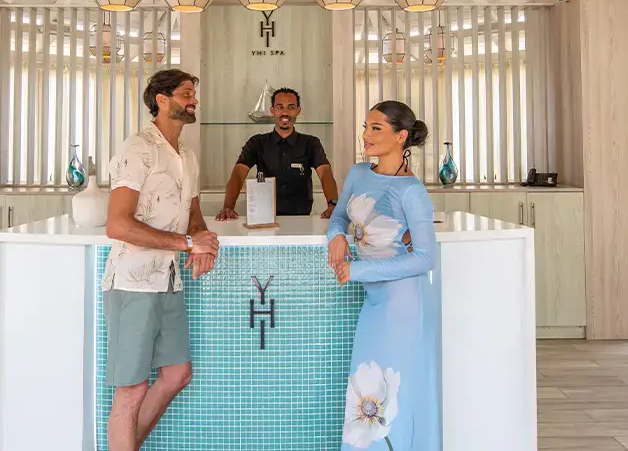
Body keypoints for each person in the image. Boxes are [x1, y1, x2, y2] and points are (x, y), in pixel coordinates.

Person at [102, 69, 220, 451]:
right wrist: (188, 243)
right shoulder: (137, 148)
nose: (193, 101)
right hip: (132, 282)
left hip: (168, 280)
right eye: (186, 94)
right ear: (161, 99)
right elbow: (117, 225)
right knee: (131, 389)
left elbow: (194, 213)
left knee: (177, 375)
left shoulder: (187, 156)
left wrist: (204, 241)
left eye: (194, 95)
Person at [325, 100, 439, 451]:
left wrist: (357, 269)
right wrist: (336, 237)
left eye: (376, 128)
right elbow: (338, 216)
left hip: (403, 305)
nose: (366, 135)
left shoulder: (411, 191)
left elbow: (425, 258)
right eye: (365, 126)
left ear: (401, 136)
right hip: (375, 301)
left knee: (392, 398)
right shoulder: (359, 173)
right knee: (368, 393)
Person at [216, 87, 341, 220]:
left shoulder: (311, 143)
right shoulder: (256, 143)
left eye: (291, 107)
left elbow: (325, 173)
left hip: (301, 221)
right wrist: (228, 207)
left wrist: (333, 204)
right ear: (272, 111)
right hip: (263, 219)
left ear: (298, 111)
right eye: (280, 107)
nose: (285, 112)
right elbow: (238, 174)